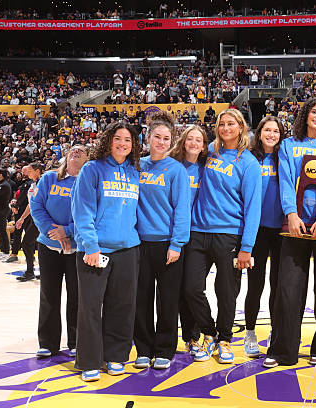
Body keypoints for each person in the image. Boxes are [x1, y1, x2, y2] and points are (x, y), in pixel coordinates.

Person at [264, 97, 316, 368]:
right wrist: (291, 213)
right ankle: (283, 350)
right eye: (314, 112)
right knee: (288, 290)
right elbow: (285, 181)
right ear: (306, 115)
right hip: (294, 225)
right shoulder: (288, 145)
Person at [183, 108, 262, 364]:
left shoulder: (249, 162)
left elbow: (253, 207)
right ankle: (210, 333)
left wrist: (247, 247)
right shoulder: (209, 153)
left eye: (231, 124)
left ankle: (225, 339)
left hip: (230, 235)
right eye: (222, 124)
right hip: (198, 231)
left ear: (241, 128)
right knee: (191, 287)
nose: (226, 128)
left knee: (227, 293)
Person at [71, 122, 142, 382]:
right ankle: (89, 360)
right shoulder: (92, 169)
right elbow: (82, 210)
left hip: (128, 249)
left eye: (128, 140)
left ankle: (116, 356)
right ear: (108, 141)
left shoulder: (134, 171)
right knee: (90, 307)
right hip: (95, 250)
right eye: (117, 138)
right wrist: (90, 246)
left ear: (133, 145)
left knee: (122, 306)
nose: (122, 143)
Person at [133, 112, 191, 370]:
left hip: (168, 244)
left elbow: (182, 209)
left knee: (167, 300)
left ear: (171, 141)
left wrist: (177, 244)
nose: (161, 142)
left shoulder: (176, 170)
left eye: (166, 138)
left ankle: (165, 349)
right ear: (148, 138)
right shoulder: (136, 166)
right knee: (141, 299)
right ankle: (143, 348)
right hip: (139, 244)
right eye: (157, 136)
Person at [31, 145, 88, 358]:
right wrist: (53, 232)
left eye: (81, 151)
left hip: (77, 248)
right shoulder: (49, 178)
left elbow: (91, 213)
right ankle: (47, 343)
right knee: (49, 295)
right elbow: (36, 206)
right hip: (49, 246)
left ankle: (76, 342)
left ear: (88, 159)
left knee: (77, 297)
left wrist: (68, 231)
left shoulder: (88, 182)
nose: (76, 152)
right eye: (73, 149)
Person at [243, 116, 284, 357]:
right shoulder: (249, 158)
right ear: (259, 133)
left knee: (278, 285)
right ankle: (249, 332)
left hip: (281, 229)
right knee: (255, 284)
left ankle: (275, 331)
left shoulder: (284, 157)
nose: (271, 134)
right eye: (267, 130)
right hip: (256, 229)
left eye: (276, 131)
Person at [169, 124, 208, 355]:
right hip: (172, 233)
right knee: (172, 289)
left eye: (198, 140)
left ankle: (192, 337)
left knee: (191, 288)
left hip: (196, 234)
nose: (193, 143)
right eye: (190, 139)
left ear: (204, 146)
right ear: (183, 142)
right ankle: (166, 336)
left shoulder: (206, 169)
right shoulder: (173, 166)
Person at [11, 163, 43, 282]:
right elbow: (31, 204)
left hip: (42, 219)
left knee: (28, 243)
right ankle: (33, 271)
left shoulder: (43, 183)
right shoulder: (32, 184)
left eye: (30, 170)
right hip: (34, 219)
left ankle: (32, 271)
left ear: (37, 171)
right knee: (31, 244)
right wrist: (22, 218)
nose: (27, 172)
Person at [0, 169, 11, 259]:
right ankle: (2, 250)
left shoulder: (4, 185)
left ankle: (6, 252)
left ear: (0, 175)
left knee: (2, 231)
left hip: (1, 211)